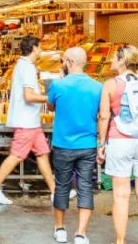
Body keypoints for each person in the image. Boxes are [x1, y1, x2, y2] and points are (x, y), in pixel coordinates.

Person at [97, 45, 138, 244]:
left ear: (122, 61)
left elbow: (104, 116)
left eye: (114, 57)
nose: (111, 61)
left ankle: (120, 241)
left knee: (121, 195)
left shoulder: (110, 84)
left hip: (119, 140)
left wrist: (101, 144)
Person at [0, 36, 55, 205]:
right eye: (40, 47)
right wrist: (51, 97)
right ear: (35, 48)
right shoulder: (28, 68)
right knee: (17, 155)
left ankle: (55, 191)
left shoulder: (22, 65)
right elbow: (29, 96)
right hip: (27, 122)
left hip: (31, 121)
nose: (41, 50)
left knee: (43, 153)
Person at [48, 47, 103, 244]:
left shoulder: (57, 85)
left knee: (61, 185)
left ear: (69, 62)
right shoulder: (98, 87)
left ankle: (60, 228)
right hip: (88, 144)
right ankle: (81, 233)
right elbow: (101, 113)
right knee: (85, 186)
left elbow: (51, 106)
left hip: (63, 143)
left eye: (64, 60)